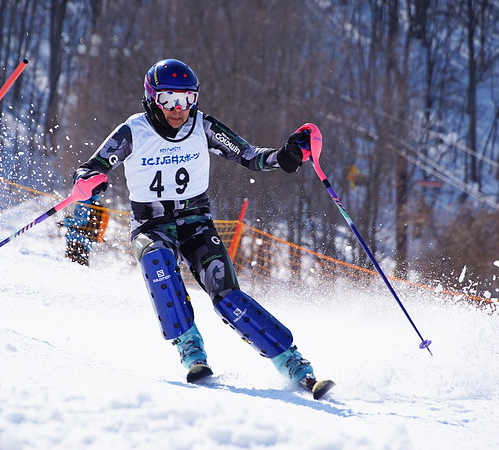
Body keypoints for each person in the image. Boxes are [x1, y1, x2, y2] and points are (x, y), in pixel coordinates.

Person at [70, 59, 333, 398]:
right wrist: (88, 179)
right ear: (152, 99)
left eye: (186, 99)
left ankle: (294, 364)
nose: (178, 109)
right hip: (151, 224)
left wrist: (286, 155)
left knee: (227, 297)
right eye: (168, 100)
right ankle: (189, 347)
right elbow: (93, 166)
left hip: (195, 221)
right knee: (158, 263)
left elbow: (250, 156)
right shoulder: (132, 131)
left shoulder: (203, 126)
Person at [58, 194, 108, 266]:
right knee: (81, 267)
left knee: (70, 267)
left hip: (76, 239)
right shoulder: (95, 201)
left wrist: (65, 222)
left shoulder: (84, 200)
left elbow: (79, 221)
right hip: (86, 241)